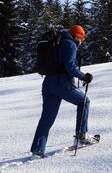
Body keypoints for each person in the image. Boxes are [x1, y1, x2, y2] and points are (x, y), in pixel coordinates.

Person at [31, 25, 95, 158]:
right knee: (84, 101)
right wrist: (84, 76)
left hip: (48, 84)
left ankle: (38, 150)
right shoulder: (70, 44)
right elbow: (70, 67)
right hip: (62, 84)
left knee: (46, 118)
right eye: (82, 38)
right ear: (77, 36)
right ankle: (81, 136)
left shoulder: (59, 41)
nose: (81, 41)